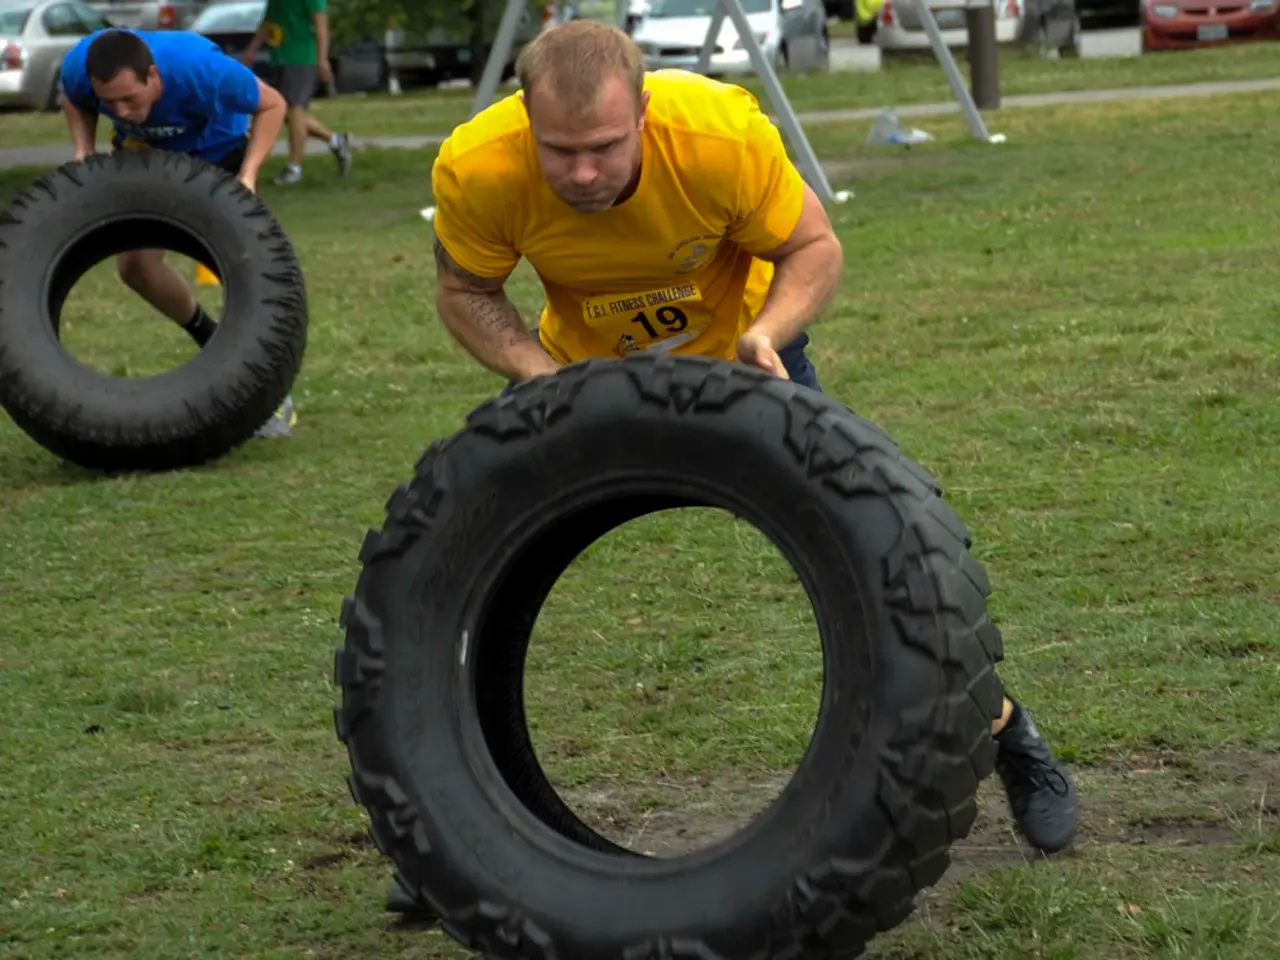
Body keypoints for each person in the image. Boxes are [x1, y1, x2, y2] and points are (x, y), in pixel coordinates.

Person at [383, 19, 1079, 917]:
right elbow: (466, 291)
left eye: (603, 147)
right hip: (581, 382)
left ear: (642, 112)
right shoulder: (477, 166)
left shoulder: (718, 137)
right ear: (526, 119)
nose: (583, 173)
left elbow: (813, 247)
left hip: (748, 363)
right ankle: (457, 834)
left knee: (891, 583)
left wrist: (768, 334)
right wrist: (537, 376)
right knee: (473, 584)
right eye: (560, 152)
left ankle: (1009, 733)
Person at [60, 27, 299, 439]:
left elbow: (273, 104)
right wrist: (83, 148)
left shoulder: (203, 71)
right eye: (109, 103)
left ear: (153, 76)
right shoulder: (79, 69)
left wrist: (248, 175)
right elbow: (75, 99)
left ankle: (271, 389)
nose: (121, 112)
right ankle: (208, 337)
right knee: (136, 268)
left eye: (129, 99)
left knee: (247, 274)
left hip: (218, 152)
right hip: (147, 159)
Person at [241, 0, 353, 186]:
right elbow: (268, 23)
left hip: (303, 58)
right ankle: (335, 140)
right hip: (280, 58)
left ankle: (294, 167)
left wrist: (322, 59)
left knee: (295, 109)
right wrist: (252, 49)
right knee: (285, 112)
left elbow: (321, 26)